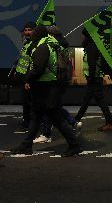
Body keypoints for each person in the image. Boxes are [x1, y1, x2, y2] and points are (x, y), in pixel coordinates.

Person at [11, 25, 81, 157]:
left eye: (34, 32)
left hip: (46, 88)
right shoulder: (48, 44)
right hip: (47, 87)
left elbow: (38, 69)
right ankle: (26, 145)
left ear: (39, 34)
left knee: (56, 119)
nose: (30, 34)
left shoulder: (43, 47)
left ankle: (74, 145)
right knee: (37, 117)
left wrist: (27, 79)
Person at [33, 25, 82, 143]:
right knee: (54, 108)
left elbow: (44, 66)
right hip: (61, 80)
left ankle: (47, 133)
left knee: (49, 108)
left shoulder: (52, 46)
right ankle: (72, 123)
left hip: (51, 81)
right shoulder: (63, 45)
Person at [75, 28, 112, 132]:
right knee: (92, 100)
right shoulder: (93, 45)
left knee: (92, 101)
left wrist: (91, 77)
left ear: (86, 35)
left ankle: (74, 121)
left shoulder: (91, 46)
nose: (81, 37)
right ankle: (74, 120)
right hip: (94, 78)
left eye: (83, 35)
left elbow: (92, 64)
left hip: (94, 79)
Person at [14, 22, 36, 130]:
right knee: (25, 101)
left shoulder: (33, 44)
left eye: (29, 30)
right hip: (23, 78)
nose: (27, 32)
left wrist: (28, 80)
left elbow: (32, 63)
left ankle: (29, 123)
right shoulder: (26, 43)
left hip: (28, 78)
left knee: (29, 102)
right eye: (26, 30)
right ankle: (27, 121)